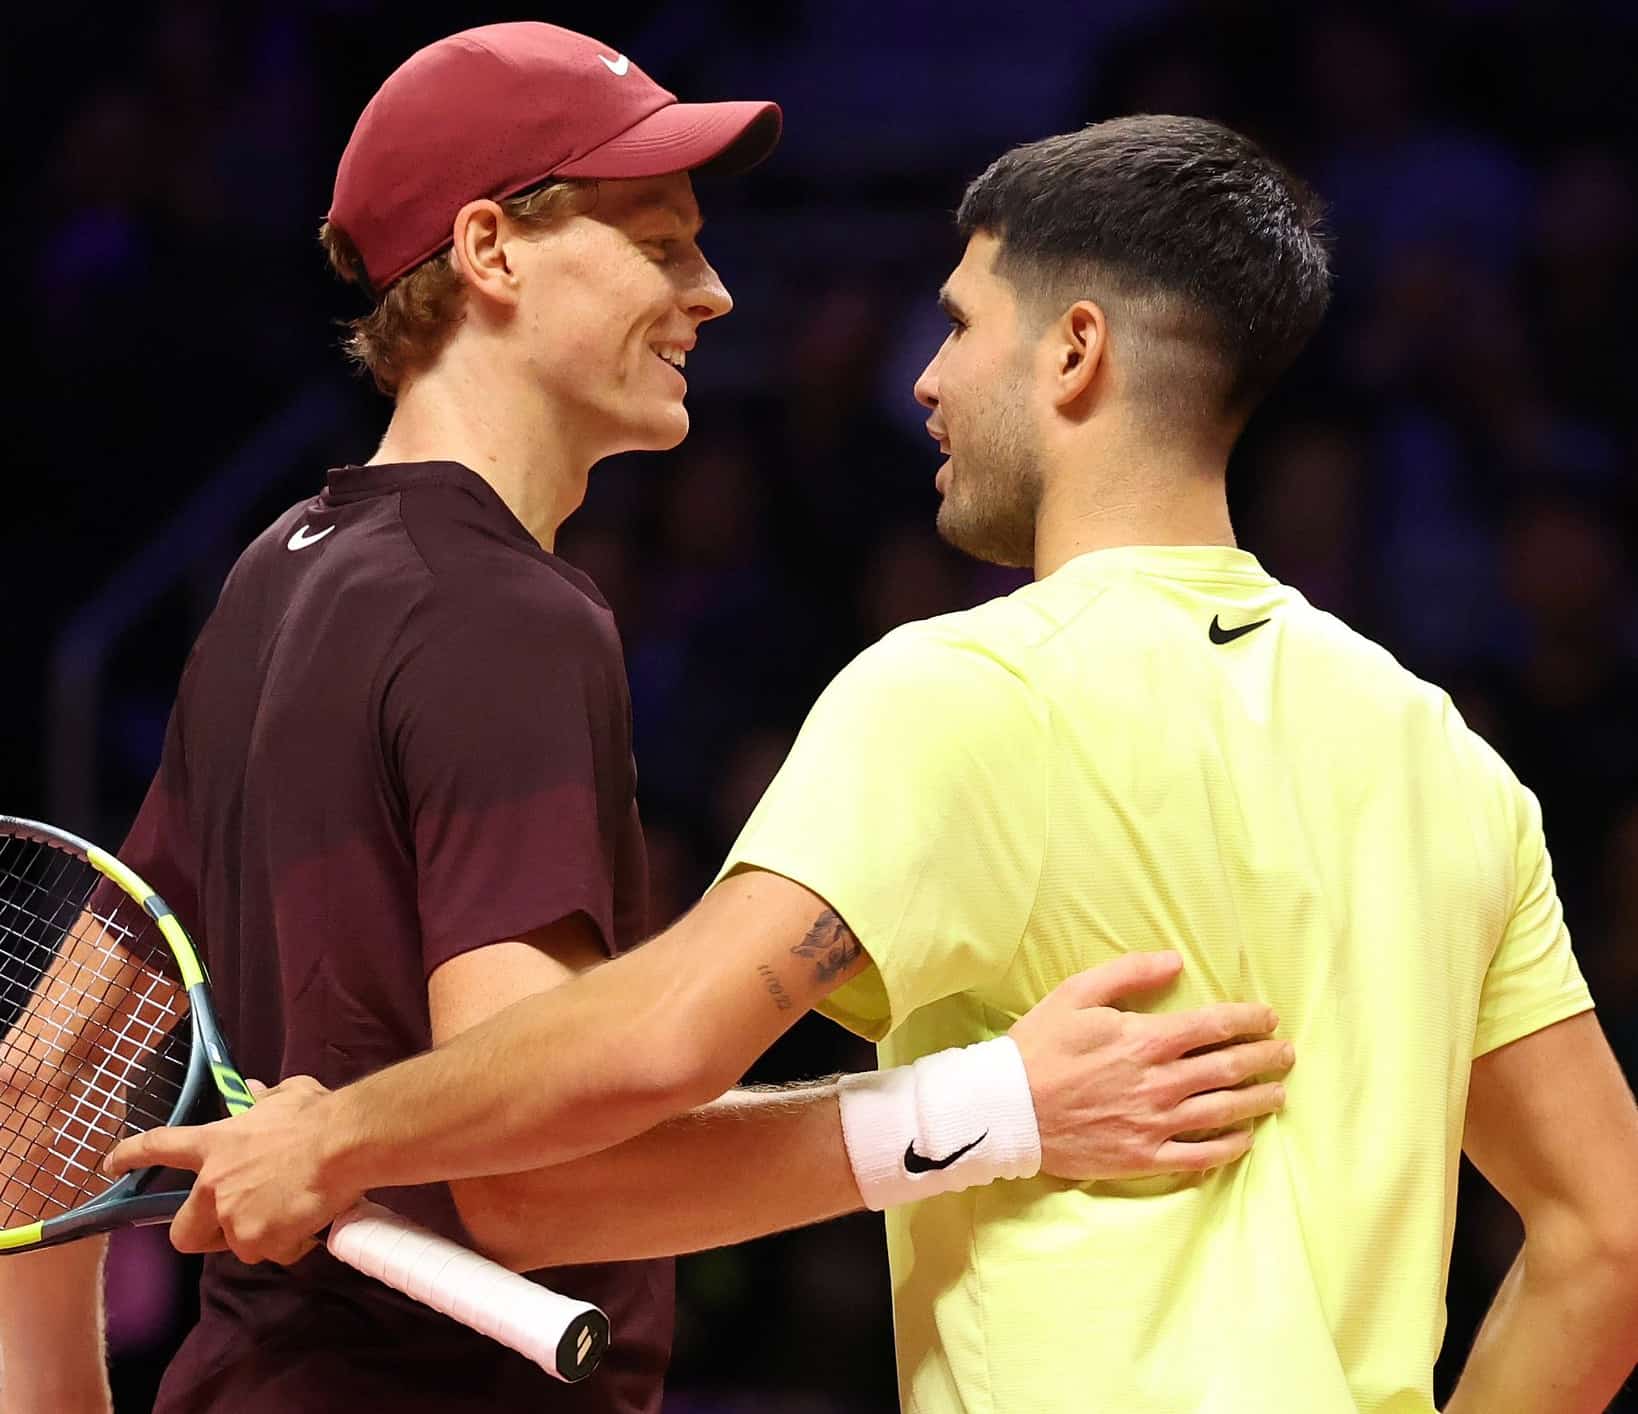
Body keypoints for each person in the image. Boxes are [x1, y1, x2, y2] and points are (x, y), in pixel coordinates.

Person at [114, 113, 1638, 1412]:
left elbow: (638, 1058)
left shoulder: (958, 691)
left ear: (1075, 351)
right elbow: (1608, 1239)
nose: (924, 378)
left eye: (962, 324)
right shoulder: (1443, 756)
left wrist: (337, 1131)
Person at [0, 30, 1295, 1414]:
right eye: (660, 244)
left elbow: (38, 1088)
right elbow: (539, 1183)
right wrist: (997, 1111)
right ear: (490, 250)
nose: (715, 292)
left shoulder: (276, 568)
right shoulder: (503, 614)